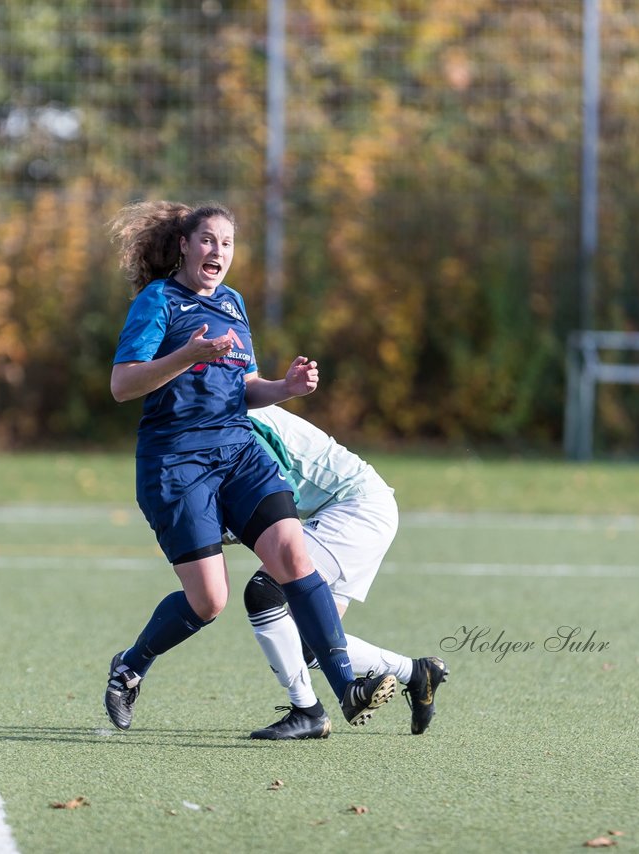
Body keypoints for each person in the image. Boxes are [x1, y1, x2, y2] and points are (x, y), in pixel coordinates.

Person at [104, 200, 395, 733]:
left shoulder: (234, 304)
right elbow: (124, 385)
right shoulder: (158, 300)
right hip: (176, 461)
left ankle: (344, 684)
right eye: (208, 240)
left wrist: (285, 388)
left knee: (290, 553)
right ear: (185, 247)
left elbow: (244, 388)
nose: (218, 251)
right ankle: (130, 667)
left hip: (238, 452)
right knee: (209, 600)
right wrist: (186, 356)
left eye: (227, 243)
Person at [238, 404, 449, 740]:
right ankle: (417, 672)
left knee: (264, 592)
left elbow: (274, 496)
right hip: (363, 508)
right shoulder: (238, 409)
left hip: (354, 509)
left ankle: (307, 713)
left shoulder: (242, 420)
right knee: (305, 640)